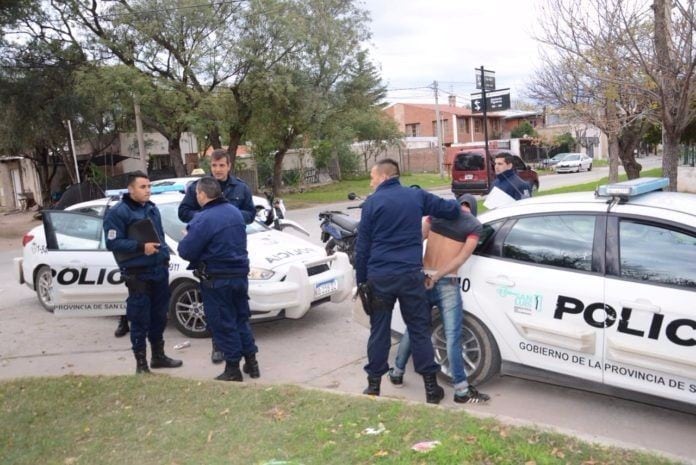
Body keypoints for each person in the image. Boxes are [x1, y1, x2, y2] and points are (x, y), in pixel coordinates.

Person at [354, 158, 461, 404]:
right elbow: (452, 209)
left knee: (378, 331)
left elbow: (362, 249)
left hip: (380, 278)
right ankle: (432, 389)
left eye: (372, 177)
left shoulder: (372, 203)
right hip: (411, 277)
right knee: (418, 330)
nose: (371, 182)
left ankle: (373, 387)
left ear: (384, 176)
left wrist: (362, 282)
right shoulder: (416, 196)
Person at [388, 194, 490, 404]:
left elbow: (416, 239)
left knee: (414, 329)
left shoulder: (435, 214)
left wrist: (422, 272)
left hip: (422, 278)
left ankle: (397, 373)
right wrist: (437, 277)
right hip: (447, 282)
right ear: (472, 208)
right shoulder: (474, 226)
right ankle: (461, 390)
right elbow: (461, 258)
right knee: (453, 336)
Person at [177, 177, 259, 381]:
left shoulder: (203, 218)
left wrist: (187, 235)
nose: (196, 197)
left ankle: (233, 369)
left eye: (197, 194)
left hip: (217, 280)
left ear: (203, 195)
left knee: (224, 323)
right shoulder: (234, 212)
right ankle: (252, 363)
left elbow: (186, 251)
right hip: (239, 276)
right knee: (241, 319)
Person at [103, 171, 182, 374]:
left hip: (158, 270)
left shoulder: (151, 208)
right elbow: (112, 242)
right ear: (131, 189)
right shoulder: (118, 212)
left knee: (159, 317)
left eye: (149, 187)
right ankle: (141, 364)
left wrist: (164, 254)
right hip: (138, 273)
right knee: (139, 319)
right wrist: (140, 247)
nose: (148, 190)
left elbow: (159, 236)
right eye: (143, 187)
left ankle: (158, 356)